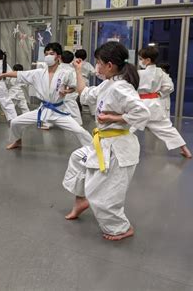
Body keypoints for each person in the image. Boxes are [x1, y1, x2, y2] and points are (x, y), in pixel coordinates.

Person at [62, 42, 150, 241]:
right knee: (77, 159)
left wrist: (114, 118)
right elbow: (85, 95)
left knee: (102, 195)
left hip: (118, 150)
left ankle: (120, 228)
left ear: (109, 65)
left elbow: (143, 113)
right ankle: (80, 200)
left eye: (99, 63)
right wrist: (77, 70)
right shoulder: (108, 83)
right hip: (102, 144)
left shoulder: (121, 88)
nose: (97, 67)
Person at [0, 42, 92, 150]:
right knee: (15, 122)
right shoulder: (39, 73)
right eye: (46, 54)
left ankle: (94, 150)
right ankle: (17, 141)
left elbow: (74, 87)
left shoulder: (66, 73)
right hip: (43, 109)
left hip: (58, 111)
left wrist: (67, 91)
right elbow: (19, 74)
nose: (48, 56)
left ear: (58, 57)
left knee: (79, 130)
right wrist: (4, 74)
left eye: (51, 53)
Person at [138, 48, 192, 158]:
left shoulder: (139, 73)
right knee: (166, 128)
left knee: (124, 125)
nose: (140, 61)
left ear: (147, 60)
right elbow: (169, 87)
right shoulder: (161, 72)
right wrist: (159, 94)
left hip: (139, 104)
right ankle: (185, 150)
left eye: (140, 59)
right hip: (154, 104)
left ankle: (109, 148)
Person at [60, 50, 83, 125]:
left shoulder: (57, 69)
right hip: (70, 95)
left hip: (59, 95)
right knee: (74, 113)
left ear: (60, 58)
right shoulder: (72, 70)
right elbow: (74, 86)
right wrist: (67, 91)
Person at [74, 49, 96, 114]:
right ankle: (82, 109)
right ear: (85, 56)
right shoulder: (87, 64)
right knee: (83, 95)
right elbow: (93, 72)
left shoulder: (74, 63)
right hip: (85, 81)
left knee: (75, 95)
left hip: (76, 79)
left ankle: (77, 109)